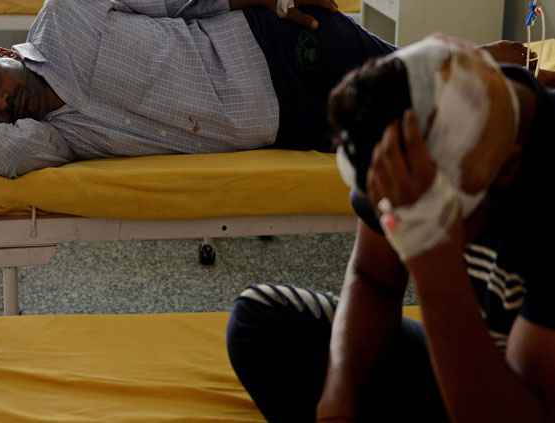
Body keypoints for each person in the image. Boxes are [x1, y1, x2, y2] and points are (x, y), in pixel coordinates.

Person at [226, 35, 554, 422]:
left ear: (508, 169)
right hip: (460, 358)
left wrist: (433, 256)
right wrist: (337, 401)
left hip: (522, 399)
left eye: (454, 224)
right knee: (259, 320)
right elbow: (373, 277)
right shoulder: (409, 130)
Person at [0, 0, 536, 179]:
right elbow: (0, 155)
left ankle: (509, 74)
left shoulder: (70, 13)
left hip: (272, 44)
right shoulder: (50, 139)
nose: (1, 103)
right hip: (293, 125)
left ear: (4, 53)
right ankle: (507, 78)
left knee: (425, 84)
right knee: (430, 120)